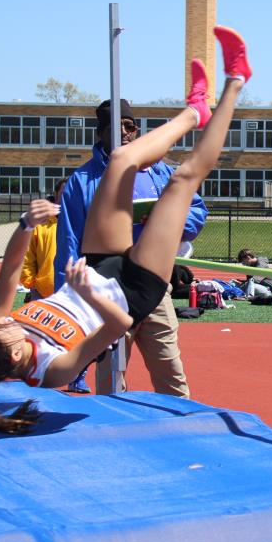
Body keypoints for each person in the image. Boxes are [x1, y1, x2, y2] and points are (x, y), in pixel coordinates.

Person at [0, 25, 250, 433]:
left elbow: (9, 273)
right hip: (131, 292)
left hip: (96, 266)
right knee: (183, 180)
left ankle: (195, 111)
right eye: (4, 331)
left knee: (120, 159)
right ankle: (236, 81)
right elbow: (117, 327)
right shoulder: (51, 371)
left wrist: (25, 226)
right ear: (12, 358)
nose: (6, 322)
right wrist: (89, 292)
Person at [54, 88, 212, 397]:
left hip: (153, 286)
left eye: (131, 126)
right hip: (108, 290)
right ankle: (110, 421)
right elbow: (69, 244)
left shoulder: (161, 171)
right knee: (110, 375)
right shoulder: (82, 182)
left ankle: (180, 420)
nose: (126, 133)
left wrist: (164, 221)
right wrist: (68, 299)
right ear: (101, 133)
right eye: (117, 127)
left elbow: (196, 212)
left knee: (170, 369)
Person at [20, 178, 67, 301]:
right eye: (64, 192)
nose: (68, 196)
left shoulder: (82, 222)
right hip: (43, 292)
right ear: (56, 194)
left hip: (73, 294)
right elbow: (27, 255)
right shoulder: (40, 223)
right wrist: (31, 283)